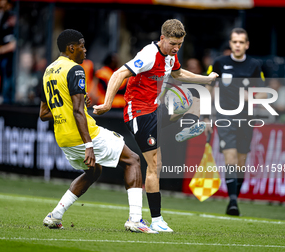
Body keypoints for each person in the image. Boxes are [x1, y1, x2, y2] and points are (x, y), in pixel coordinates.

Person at [93, 19, 218, 232]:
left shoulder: (171, 55)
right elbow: (119, 73)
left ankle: (183, 129)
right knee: (155, 165)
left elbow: (178, 73)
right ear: (162, 39)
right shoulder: (148, 55)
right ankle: (157, 220)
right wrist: (106, 103)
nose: (176, 48)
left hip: (155, 108)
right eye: (172, 44)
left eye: (179, 44)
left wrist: (204, 79)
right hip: (138, 113)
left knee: (193, 101)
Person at [40, 29, 157, 233]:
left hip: (63, 137)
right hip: (83, 135)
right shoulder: (75, 70)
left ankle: (55, 215)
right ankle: (136, 219)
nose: (85, 50)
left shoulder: (49, 70)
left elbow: (44, 113)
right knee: (133, 160)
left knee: (94, 171)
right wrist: (89, 145)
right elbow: (77, 111)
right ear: (71, 48)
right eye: (82, 45)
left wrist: (72, 107)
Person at [204, 28, 267, 216]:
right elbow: (208, 87)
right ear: (230, 44)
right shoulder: (219, 63)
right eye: (234, 41)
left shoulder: (254, 65)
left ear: (247, 44)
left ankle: (234, 198)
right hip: (225, 117)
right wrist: (206, 116)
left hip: (247, 119)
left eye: (241, 42)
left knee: (241, 162)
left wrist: (252, 96)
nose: (237, 45)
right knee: (229, 157)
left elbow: (264, 92)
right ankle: (233, 203)